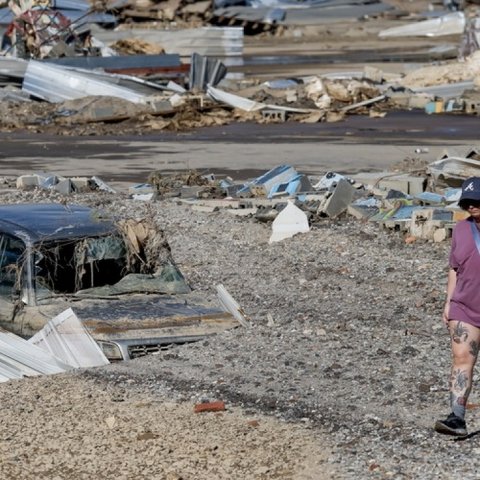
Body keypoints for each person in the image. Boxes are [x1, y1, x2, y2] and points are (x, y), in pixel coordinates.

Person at [435, 177, 480, 437]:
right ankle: (457, 419)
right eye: (468, 202)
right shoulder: (461, 230)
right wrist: (449, 301)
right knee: (462, 359)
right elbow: (454, 268)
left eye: (477, 201)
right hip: (464, 307)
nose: (472, 206)